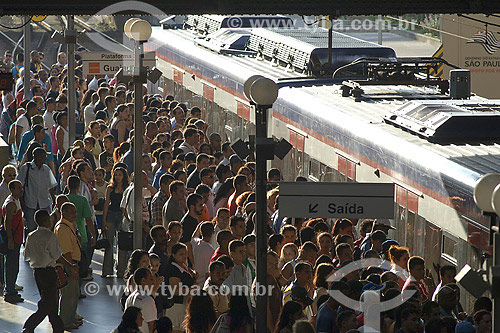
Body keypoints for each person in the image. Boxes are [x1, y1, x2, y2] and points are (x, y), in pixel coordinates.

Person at [23, 210, 79, 333]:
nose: (51, 220)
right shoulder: (50, 236)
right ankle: (29, 326)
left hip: (37, 273)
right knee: (47, 304)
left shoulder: (31, 236)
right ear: (45, 221)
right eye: (49, 218)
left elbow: (26, 256)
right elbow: (57, 256)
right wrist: (70, 265)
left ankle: (58, 328)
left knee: (51, 302)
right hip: (49, 272)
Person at [54, 202, 82, 330]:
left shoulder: (69, 226)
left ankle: (70, 319)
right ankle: (65, 321)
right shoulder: (63, 229)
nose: (75, 215)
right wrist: (72, 267)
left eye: (75, 212)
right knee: (68, 295)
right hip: (69, 264)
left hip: (73, 263)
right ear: (63, 212)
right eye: (72, 212)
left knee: (74, 293)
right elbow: (66, 252)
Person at [102, 167, 129, 277]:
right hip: (111, 215)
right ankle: (107, 270)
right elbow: (106, 204)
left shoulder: (127, 188)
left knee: (122, 244)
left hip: (122, 216)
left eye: (120, 175)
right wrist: (104, 220)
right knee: (109, 243)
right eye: (116, 174)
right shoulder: (110, 188)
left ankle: (121, 270)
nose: (118, 177)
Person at [164, 243, 196, 332]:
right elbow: (174, 290)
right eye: (181, 254)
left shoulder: (184, 266)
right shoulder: (173, 269)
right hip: (176, 306)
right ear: (174, 255)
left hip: (184, 304)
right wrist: (190, 290)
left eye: (186, 253)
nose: (185, 256)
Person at [2, 180, 24, 303]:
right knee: (11, 266)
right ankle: (9, 292)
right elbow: (7, 222)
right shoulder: (11, 204)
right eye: (18, 188)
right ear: (12, 189)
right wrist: (10, 240)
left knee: (14, 266)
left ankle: (12, 290)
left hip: (17, 239)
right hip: (14, 240)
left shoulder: (16, 201)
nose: (21, 190)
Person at [125, 267, 161, 333]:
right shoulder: (148, 300)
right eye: (151, 279)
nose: (153, 282)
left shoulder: (129, 298)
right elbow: (152, 326)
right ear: (143, 280)